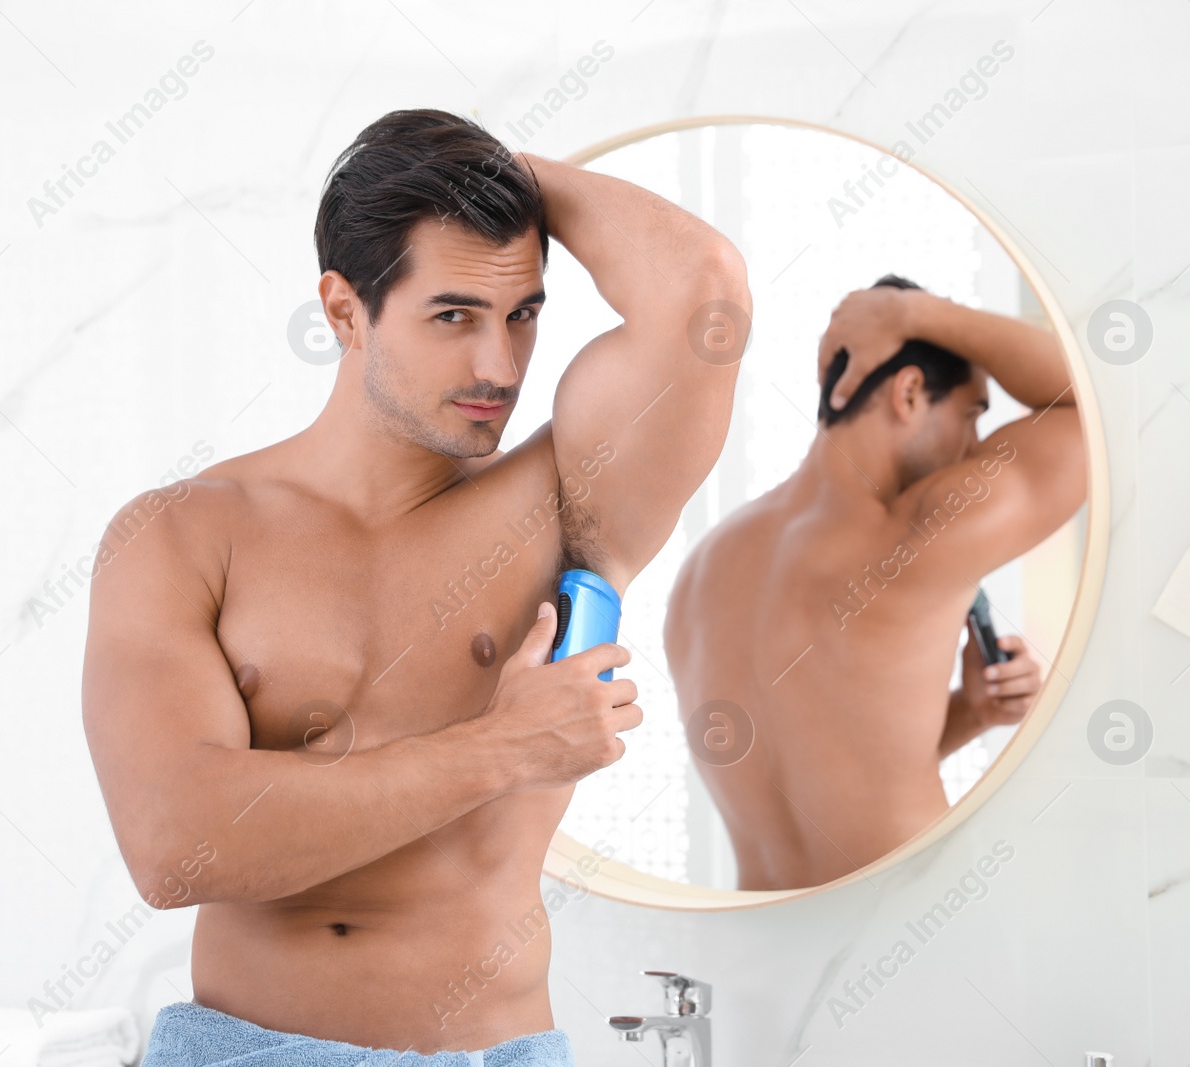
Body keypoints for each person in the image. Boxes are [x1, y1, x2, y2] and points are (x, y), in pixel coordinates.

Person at [81, 109, 750, 1064]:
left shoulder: (566, 502)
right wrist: (502, 747)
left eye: (523, 314)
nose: (500, 366)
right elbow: (174, 841)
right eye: (454, 316)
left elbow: (703, 290)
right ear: (345, 309)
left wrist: (491, 170)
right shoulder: (182, 534)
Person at [665, 275, 1082, 892]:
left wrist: (972, 712)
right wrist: (912, 312)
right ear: (909, 392)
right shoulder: (919, 530)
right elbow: (1088, 406)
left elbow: (827, 772)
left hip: (765, 938)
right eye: (971, 415)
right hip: (910, 929)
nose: (974, 447)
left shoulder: (707, 566)